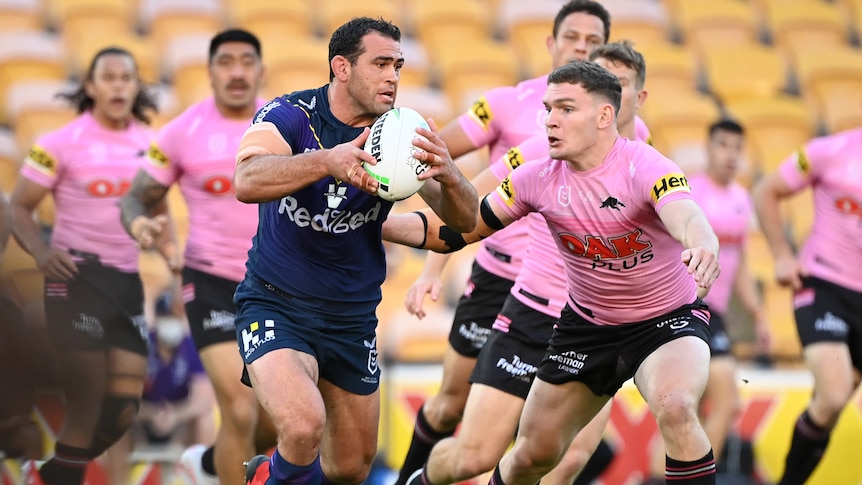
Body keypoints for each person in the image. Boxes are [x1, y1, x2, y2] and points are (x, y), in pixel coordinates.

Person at [386, 60, 721, 485]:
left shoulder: (647, 166)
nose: (550, 121)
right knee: (529, 457)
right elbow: (458, 230)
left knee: (676, 407)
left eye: (565, 109)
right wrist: (376, 225)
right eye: (548, 109)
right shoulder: (535, 175)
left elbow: (688, 216)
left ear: (605, 116)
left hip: (663, 322)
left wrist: (702, 246)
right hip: (585, 327)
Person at [235, 16, 478, 485]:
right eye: (381, 63)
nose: (393, 76)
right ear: (341, 68)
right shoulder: (292, 114)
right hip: (276, 303)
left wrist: (449, 174)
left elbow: (464, 221)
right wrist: (329, 160)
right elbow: (246, 180)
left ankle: (270, 475)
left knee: (350, 468)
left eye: (398, 65)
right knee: (304, 425)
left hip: (351, 317)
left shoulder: (402, 132)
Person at [395, 4, 616, 484]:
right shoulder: (508, 104)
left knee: (563, 452)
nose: (581, 46)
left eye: (592, 39)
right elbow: (439, 165)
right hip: (499, 277)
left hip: (569, 299)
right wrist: (433, 269)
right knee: (453, 404)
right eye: (572, 36)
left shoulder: (623, 134)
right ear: (550, 44)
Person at [119, 28, 272, 485]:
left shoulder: (287, 121)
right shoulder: (183, 131)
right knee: (240, 409)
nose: (237, 71)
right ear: (209, 72)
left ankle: (207, 464)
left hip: (280, 282)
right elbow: (134, 199)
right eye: (226, 62)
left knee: (279, 419)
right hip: (211, 282)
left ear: (261, 70)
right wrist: (144, 228)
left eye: (247, 61)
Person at [9, 46, 168, 485]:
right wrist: (41, 254)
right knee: (87, 401)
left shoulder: (150, 146)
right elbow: (19, 207)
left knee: (122, 412)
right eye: (109, 77)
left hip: (125, 280)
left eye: (126, 77)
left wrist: (170, 253)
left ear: (136, 86)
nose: (118, 85)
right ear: (90, 86)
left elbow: (161, 210)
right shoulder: (58, 144)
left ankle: (47, 474)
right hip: (75, 278)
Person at [641, 119, 771, 484]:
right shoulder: (690, 192)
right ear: (709, 148)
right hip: (683, 305)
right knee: (692, 402)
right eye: (723, 145)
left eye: (736, 148)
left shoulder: (742, 200)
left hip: (717, 313)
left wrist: (759, 314)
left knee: (701, 405)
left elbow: (739, 262)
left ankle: (666, 478)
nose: (730, 155)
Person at [752, 124, 862, 485]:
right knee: (832, 394)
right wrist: (782, 256)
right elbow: (766, 191)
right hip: (824, 285)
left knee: (831, 409)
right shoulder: (829, 151)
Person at [105, 302, 215, 485]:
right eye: (166, 317)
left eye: (174, 317)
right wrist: (152, 414)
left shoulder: (191, 345)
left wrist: (174, 415)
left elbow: (204, 400)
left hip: (178, 425)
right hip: (142, 424)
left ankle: (202, 481)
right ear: (157, 318)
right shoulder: (139, 345)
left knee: (205, 420)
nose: (170, 322)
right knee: (115, 420)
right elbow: (121, 398)